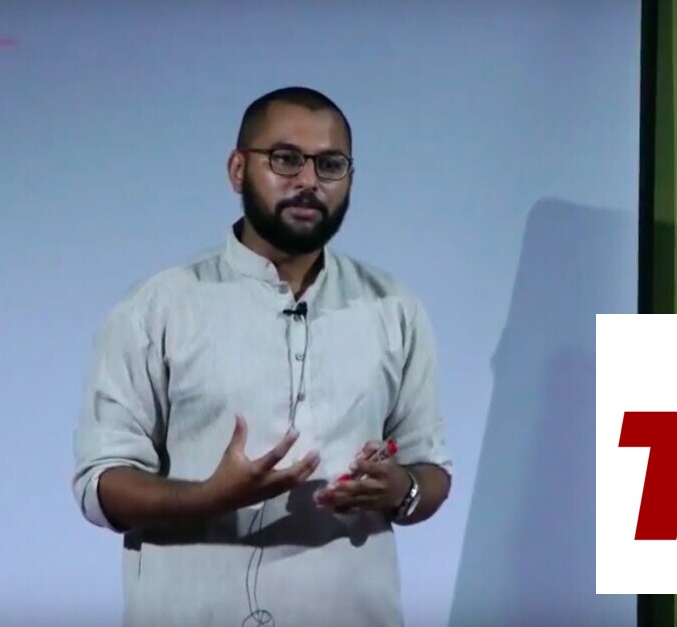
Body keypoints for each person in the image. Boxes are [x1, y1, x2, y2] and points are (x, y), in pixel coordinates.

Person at [72, 86, 452, 626]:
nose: (308, 181)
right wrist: (209, 497)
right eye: (286, 159)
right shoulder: (157, 307)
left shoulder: (393, 308)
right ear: (237, 170)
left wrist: (399, 488)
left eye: (330, 164)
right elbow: (100, 484)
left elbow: (430, 468)